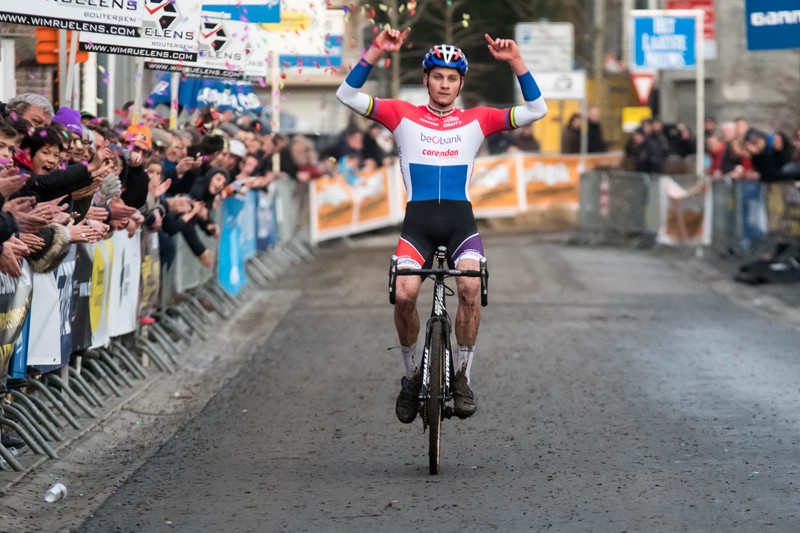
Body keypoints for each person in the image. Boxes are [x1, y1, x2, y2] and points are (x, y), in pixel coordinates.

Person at [336, 28, 547, 422]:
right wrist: (376, 51)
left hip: (459, 223)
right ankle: (412, 376)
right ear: (426, 79)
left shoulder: (478, 119)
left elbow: (536, 110)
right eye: (438, 76)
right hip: (417, 224)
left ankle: (463, 378)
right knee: (403, 294)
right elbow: (346, 95)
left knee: (469, 286)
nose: (445, 84)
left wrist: (516, 61)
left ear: (460, 83)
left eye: (452, 78)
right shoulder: (401, 114)